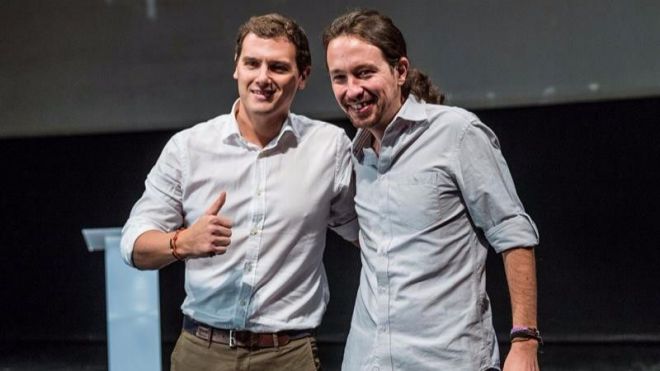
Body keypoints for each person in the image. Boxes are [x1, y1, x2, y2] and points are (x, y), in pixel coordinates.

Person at [120, 13, 358, 371]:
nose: (262, 78)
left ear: (303, 76)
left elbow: (366, 229)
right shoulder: (188, 149)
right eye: (252, 63)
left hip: (288, 355)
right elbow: (133, 245)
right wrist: (183, 242)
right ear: (237, 68)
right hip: (202, 351)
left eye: (277, 67)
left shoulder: (329, 147)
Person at [323, 9, 541, 371]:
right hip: (367, 360)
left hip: (447, 360)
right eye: (339, 78)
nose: (352, 90)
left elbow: (513, 233)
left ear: (400, 71)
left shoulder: (457, 133)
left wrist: (524, 340)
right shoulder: (355, 156)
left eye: (364, 73)